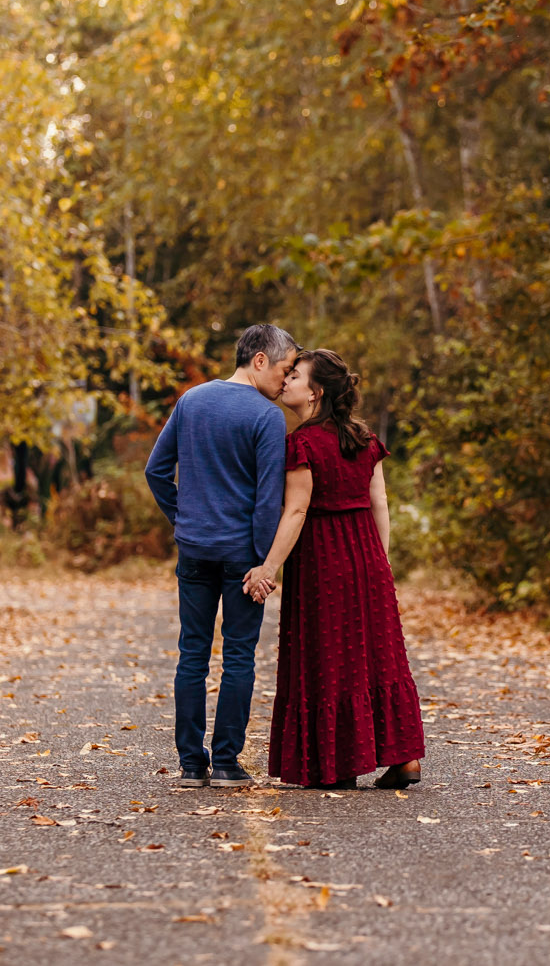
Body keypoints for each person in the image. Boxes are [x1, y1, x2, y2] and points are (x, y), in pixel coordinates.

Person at [244, 349, 424, 789]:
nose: (285, 382)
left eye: (295, 377)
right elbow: (380, 502)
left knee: (329, 659)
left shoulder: (302, 443)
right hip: (367, 555)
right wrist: (380, 563)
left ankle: (336, 763)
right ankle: (404, 758)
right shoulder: (364, 439)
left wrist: (268, 568)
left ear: (315, 392)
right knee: (377, 657)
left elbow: (297, 511)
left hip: (323, 560)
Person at [144, 323, 299, 787]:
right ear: (259, 360)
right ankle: (228, 762)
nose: (286, 381)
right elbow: (268, 499)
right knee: (238, 656)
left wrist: (183, 518)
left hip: (194, 549)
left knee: (191, 654)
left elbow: (156, 471)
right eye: (285, 369)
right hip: (242, 557)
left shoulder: (191, 401)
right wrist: (264, 563)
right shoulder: (266, 417)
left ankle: (192, 764)